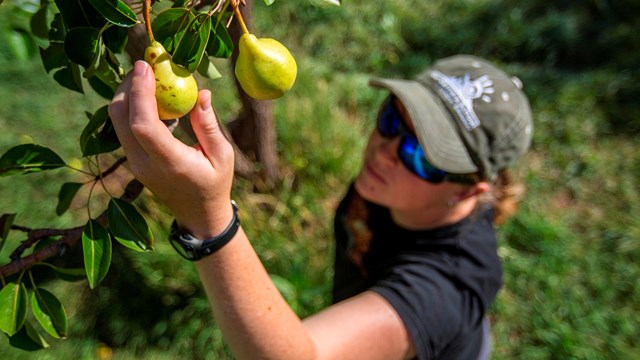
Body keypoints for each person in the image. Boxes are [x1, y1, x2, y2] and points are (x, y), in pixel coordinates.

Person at [109, 54, 533, 360]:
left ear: (467, 192)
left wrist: (208, 219)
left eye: (420, 155)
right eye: (391, 119)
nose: (385, 150)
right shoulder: (395, 187)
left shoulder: (446, 289)